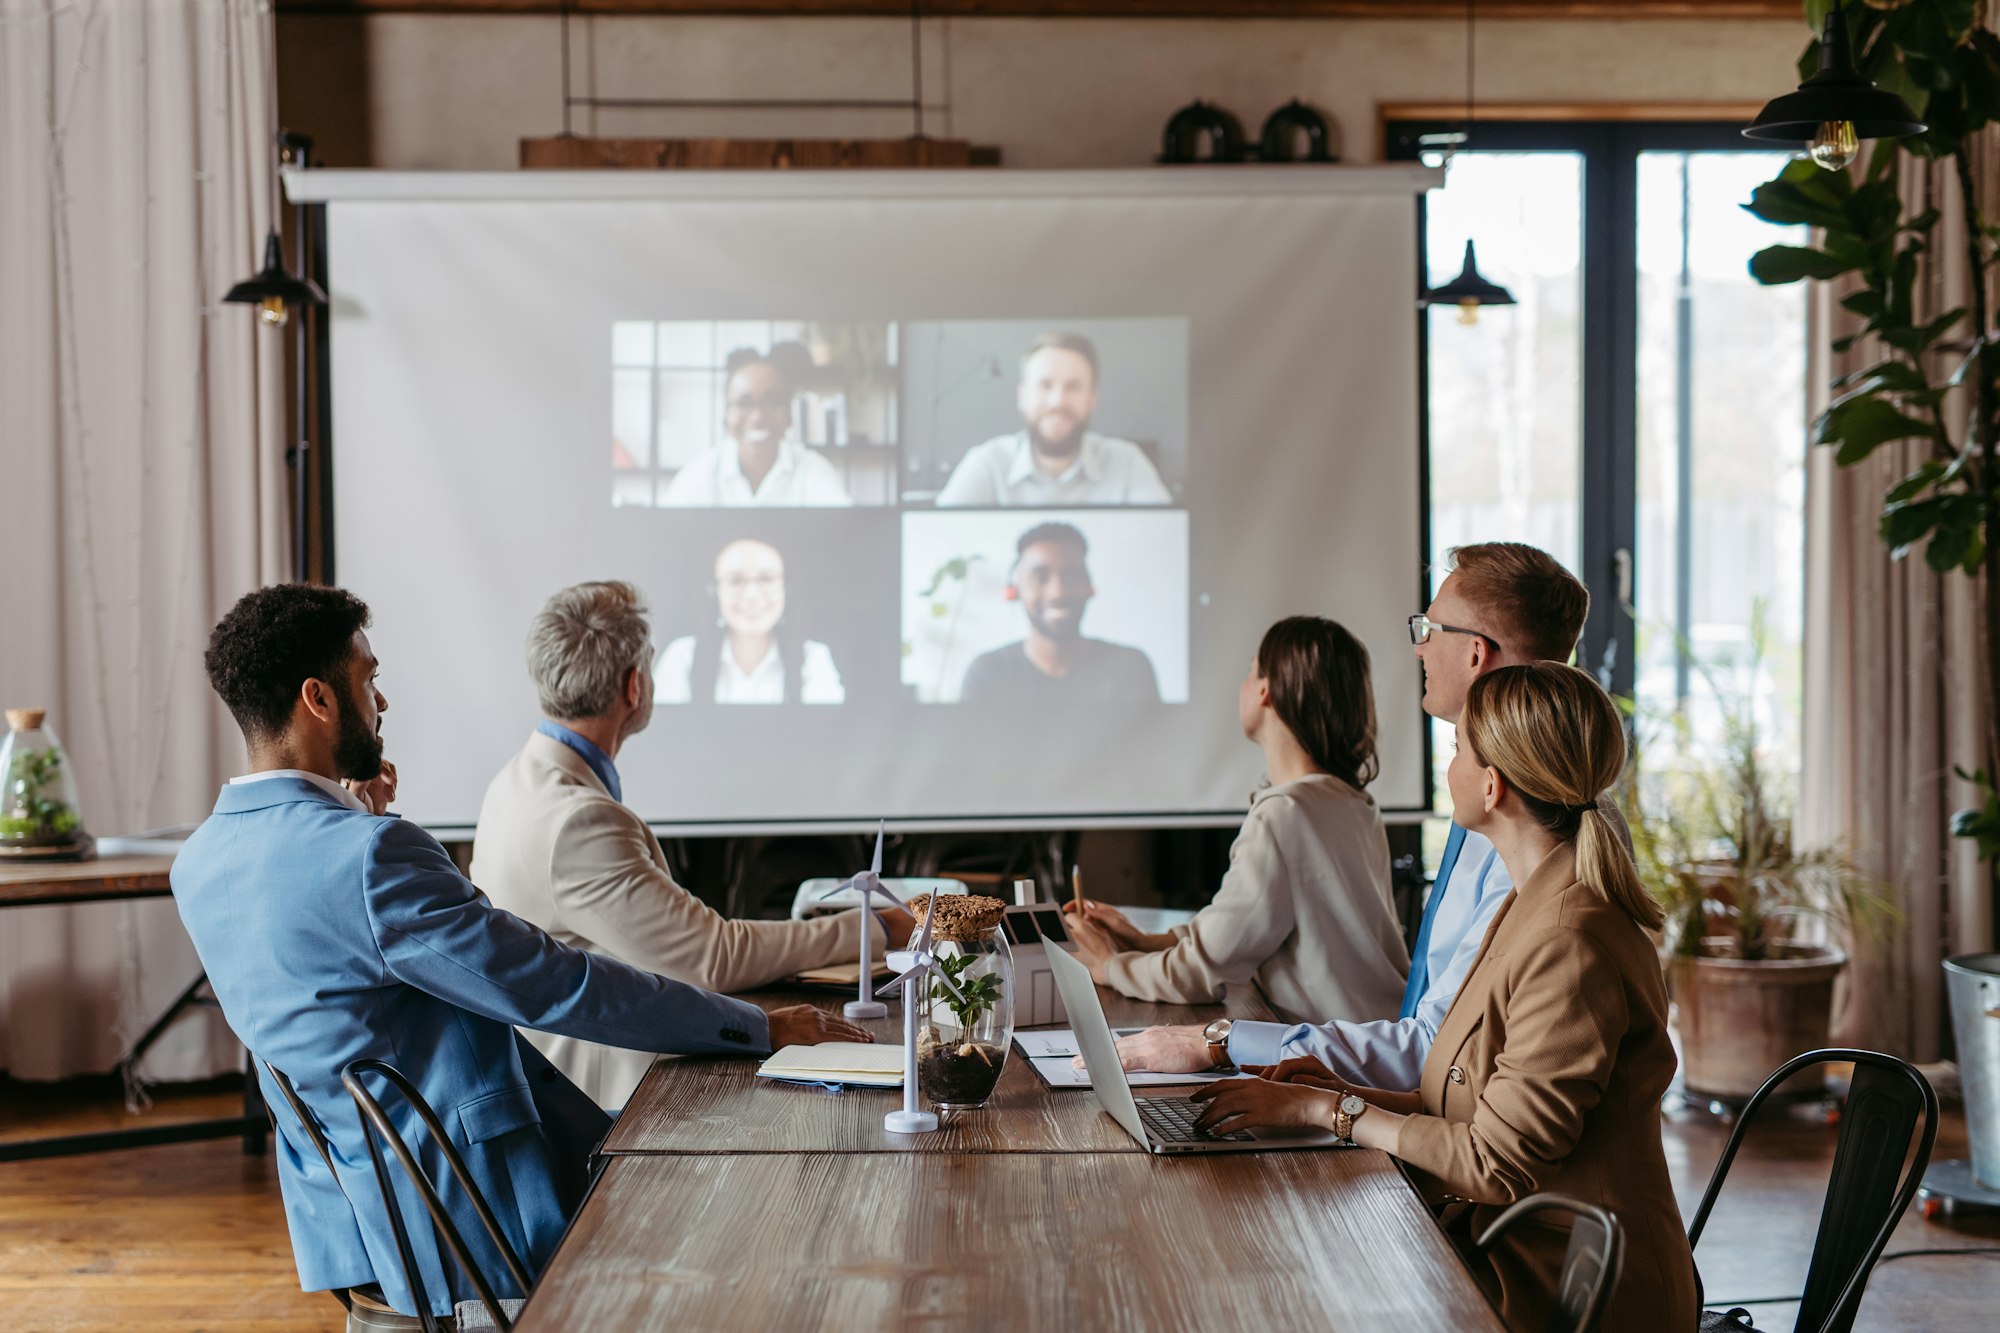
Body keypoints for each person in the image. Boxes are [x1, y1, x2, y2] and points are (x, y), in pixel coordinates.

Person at [172, 584, 869, 1321]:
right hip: (479, 1219)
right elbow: (557, 985)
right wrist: (756, 1027)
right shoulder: (371, 858)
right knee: (776, 1198)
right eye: (368, 679)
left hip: (363, 1231)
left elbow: (335, 986)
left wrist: (356, 817)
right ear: (319, 698)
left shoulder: (203, 863)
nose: (380, 702)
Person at [1190, 664, 1697, 1333]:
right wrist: (1344, 1095)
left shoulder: (1570, 940)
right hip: (1516, 1246)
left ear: (1493, 786)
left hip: (1568, 1288)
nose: (1447, 764)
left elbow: (1495, 1161)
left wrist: (1328, 1108)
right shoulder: (1530, 899)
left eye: (1457, 748)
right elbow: (1468, 1107)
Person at [1101, 542, 1595, 1084]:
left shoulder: (1528, 835)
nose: (1418, 649)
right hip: (1387, 1074)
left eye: (1427, 631)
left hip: (1409, 1098)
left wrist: (1220, 1041)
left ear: (1475, 654)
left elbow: (1432, 1049)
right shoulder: (1474, 807)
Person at [475, 581, 911, 1108]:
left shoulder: (516, 778)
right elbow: (713, 956)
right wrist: (880, 926)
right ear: (634, 686)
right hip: (614, 1103)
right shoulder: (579, 821)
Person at [1061, 617, 1407, 1025]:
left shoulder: (1285, 813)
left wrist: (1108, 967)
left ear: (1266, 690)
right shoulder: (1352, 803)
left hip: (1334, 1056)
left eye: (1250, 669)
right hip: (1380, 1036)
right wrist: (1144, 941)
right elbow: (1236, 934)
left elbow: (1200, 974)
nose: (1242, 683)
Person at [934, 332, 1172, 507]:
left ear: (1092, 399)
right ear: (1023, 396)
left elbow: (1167, 544)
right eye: (1045, 385)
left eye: (1073, 387)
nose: (1058, 401)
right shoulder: (987, 464)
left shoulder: (1127, 464)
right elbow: (938, 544)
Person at [958, 521, 1160, 705]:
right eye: (1041, 578)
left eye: (1071, 576)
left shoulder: (1130, 668)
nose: (1058, 593)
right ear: (1015, 591)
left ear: (1089, 588)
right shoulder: (987, 673)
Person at [656, 537, 845, 704]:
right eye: (735, 581)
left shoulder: (813, 658)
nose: (751, 596)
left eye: (767, 579)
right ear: (714, 592)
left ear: (787, 588)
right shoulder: (682, 657)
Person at [660, 346, 854, 507]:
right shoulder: (699, 476)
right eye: (744, 403)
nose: (758, 417)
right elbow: (669, 541)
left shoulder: (812, 472)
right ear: (726, 416)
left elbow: (846, 534)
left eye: (771, 402)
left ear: (789, 415)